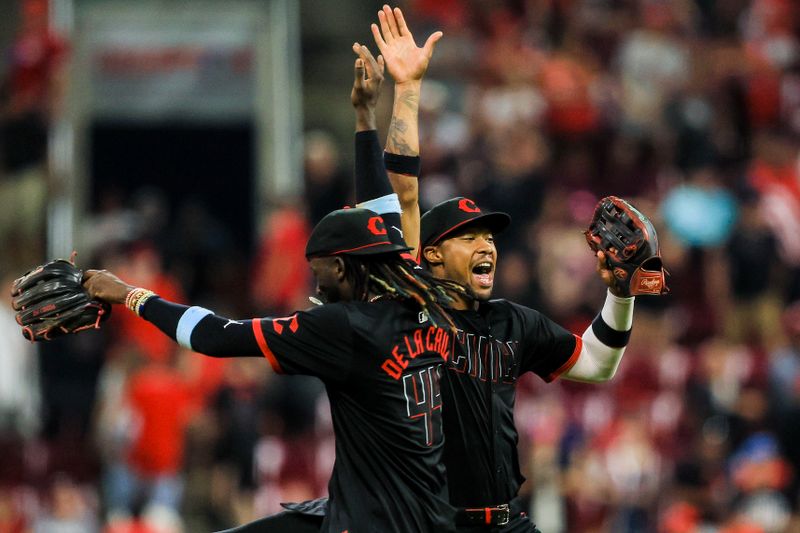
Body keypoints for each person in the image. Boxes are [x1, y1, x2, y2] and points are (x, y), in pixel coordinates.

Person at [358, 6, 642, 531]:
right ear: (432, 255)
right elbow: (402, 195)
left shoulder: (514, 322)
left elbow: (601, 364)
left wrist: (621, 291)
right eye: (469, 236)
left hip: (510, 523)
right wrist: (408, 91)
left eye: (490, 235)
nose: (487, 244)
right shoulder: (412, 312)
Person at [83, 207, 466, 533]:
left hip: (374, 515)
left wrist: (129, 294)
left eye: (319, 272)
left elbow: (213, 336)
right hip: (431, 504)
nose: (316, 285)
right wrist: (367, 125)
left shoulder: (340, 325)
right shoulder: (423, 304)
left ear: (340, 266)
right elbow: (394, 204)